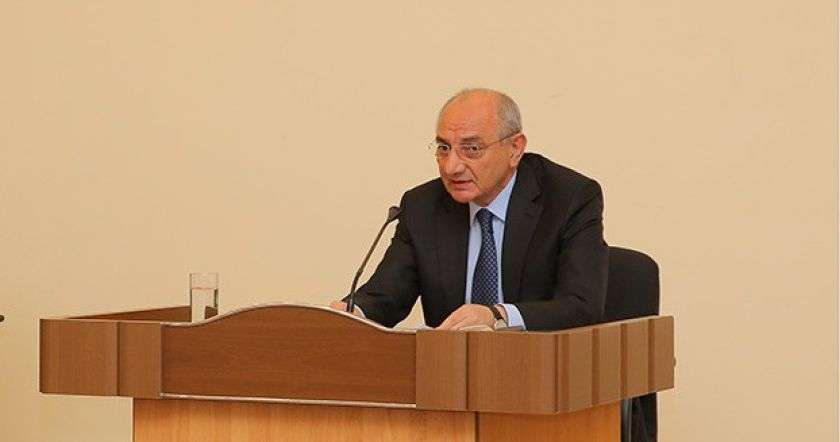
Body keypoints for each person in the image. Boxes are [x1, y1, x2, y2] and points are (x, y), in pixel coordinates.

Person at [330, 88, 608, 331]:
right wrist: (352, 314)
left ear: (515, 149)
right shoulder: (423, 206)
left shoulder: (568, 198)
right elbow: (387, 295)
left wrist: (497, 316)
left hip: (539, 365)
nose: (452, 167)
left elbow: (581, 306)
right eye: (444, 148)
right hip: (451, 369)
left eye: (472, 149)